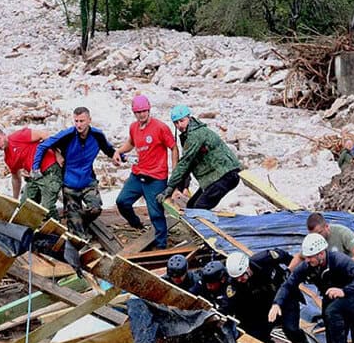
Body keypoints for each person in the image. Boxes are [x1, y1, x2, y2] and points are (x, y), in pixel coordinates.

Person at [271, 234, 354, 343]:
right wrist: (277, 303)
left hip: (353, 294)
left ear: (321, 254)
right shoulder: (307, 265)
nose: (307, 260)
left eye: (311, 257)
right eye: (306, 257)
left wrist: (344, 291)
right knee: (328, 318)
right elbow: (289, 284)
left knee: (341, 316)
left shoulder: (338, 260)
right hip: (332, 296)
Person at [32, 107, 115, 239]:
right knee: (77, 235)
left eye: (82, 121)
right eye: (76, 121)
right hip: (69, 185)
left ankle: (77, 219)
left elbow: (109, 150)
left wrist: (121, 157)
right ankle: (74, 222)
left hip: (88, 182)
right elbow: (43, 145)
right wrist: (35, 168)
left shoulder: (97, 135)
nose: (78, 124)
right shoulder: (68, 135)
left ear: (89, 120)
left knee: (96, 209)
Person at [113, 95, 179, 248]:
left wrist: (175, 171)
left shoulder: (161, 127)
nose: (141, 115)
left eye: (144, 111)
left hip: (156, 177)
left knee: (156, 213)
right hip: (138, 174)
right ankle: (136, 224)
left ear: (149, 110)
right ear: (134, 113)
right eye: (138, 112)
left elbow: (173, 147)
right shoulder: (134, 127)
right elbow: (131, 142)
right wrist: (118, 151)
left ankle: (161, 246)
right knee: (122, 201)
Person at [225, 250, 315, 343]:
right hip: (263, 306)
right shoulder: (233, 286)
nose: (240, 280)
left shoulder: (264, 259)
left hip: (285, 297)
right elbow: (237, 309)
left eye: (241, 276)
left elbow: (288, 257)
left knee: (291, 329)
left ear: (247, 267)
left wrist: (292, 274)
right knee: (258, 336)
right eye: (236, 278)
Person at [157, 105, 241, 210]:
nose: (179, 125)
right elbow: (188, 165)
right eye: (176, 123)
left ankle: (205, 226)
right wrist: (180, 187)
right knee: (191, 206)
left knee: (198, 208)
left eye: (181, 121)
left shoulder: (195, 135)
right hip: (214, 177)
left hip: (225, 175)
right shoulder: (188, 135)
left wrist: (170, 187)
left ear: (189, 117)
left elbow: (185, 163)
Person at [0, 125, 62, 220]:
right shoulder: (8, 158)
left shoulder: (18, 136)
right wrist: (14, 200)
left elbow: (44, 135)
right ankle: (34, 228)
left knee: (46, 209)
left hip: (50, 169)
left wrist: (57, 153)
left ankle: (57, 229)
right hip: (35, 177)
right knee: (24, 206)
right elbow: (16, 178)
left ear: (4, 135)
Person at [288, 212, 354, 270]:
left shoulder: (342, 232)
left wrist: (341, 265)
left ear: (326, 226)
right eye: (314, 235)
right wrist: (288, 271)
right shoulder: (313, 239)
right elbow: (300, 256)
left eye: (320, 232)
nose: (317, 237)